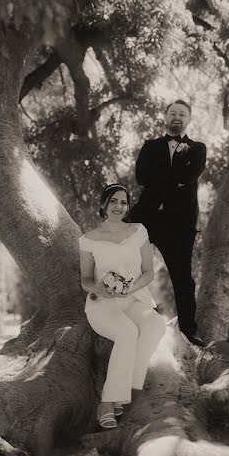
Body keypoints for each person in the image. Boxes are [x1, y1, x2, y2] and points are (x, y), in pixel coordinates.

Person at [79, 184, 166, 429]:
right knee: (127, 332)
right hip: (102, 304)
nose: (119, 206)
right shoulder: (87, 240)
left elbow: (148, 272)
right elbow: (85, 279)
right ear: (103, 205)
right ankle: (107, 403)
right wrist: (100, 289)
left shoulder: (139, 232)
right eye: (114, 201)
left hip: (134, 297)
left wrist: (130, 287)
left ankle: (124, 388)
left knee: (155, 325)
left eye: (124, 202)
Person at [127, 99, 206, 346]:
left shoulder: (198, 148)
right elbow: (141, 177)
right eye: (173, 113)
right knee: (122, 260)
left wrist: (161, 177)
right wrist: (176, 179)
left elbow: (190, 175)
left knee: (183, 278)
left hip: (180, 223)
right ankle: (121, 315)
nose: (177, 117)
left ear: (188, 119)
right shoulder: (150, 146)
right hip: (145, 216)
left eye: (182, 114)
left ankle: (189, 332)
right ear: (165, 117)